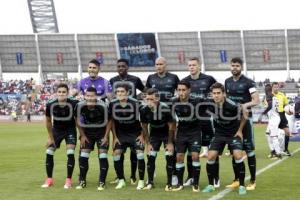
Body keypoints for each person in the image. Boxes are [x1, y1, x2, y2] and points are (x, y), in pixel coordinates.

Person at [202, 82, 247, 195]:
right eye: (214, 93)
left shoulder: (232, 105)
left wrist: (240, 130)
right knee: (211, 156)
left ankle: (241, 185)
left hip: (233, 134)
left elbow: (245, 113)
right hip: (219, 134)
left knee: (237, 155)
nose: (216, 95)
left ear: (224, 94)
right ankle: (211, 185)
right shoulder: (209, 103)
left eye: (218, 93)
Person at [181, 57, 217, 187]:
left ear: (199, 66)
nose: (191, 67)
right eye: (189, 65)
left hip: (206, 118)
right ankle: (190, 177)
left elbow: (217, 92)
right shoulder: (184, 81)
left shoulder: (208, 79)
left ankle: (215, 178)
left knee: (213, 149)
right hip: (190, 121)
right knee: (191, 151)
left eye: (194, 65)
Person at [225, 57, 260, 191]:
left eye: (237, 66)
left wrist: (244, 105)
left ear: (241, 67)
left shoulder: (248, 82)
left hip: (246, 121)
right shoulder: (227, 82)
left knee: (249, 150)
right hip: (231, 121)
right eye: (232, 65)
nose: (234, 68)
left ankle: (252, 180)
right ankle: (236, 180)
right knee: (235, 151)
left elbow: (256, 100)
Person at [109, 58, 145, 185]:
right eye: (118, 66)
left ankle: (133, 176)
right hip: (120, 118)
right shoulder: (113, 80)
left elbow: (144, 91)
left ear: (127, 67)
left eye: (123, 66)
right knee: (119, 151)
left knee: (135, 152)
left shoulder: (135, 79)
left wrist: (138, 99)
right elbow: (110, 95)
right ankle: (120, 177)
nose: (120, 68)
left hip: (132, 116)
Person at [145, 56, 180, 185]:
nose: (158, 66)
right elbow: (147, 93)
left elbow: (180, 92)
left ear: (166, 65)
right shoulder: (151, 78)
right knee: (152, 146)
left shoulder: (174, 77)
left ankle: (174, 174)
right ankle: (151, 172)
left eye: (160, 64)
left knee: (171, 147)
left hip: (169, 117)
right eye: (156, 64)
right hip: (154, 117)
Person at [41, 83, 78, 189]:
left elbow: (78, 120)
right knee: (49, 152)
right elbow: (48, 121)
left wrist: (82, 134)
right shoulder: (50, 104)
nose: (61, 94)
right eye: (59, 92)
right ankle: (49, 180)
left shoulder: (74, 103)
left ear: (67, 93)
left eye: (64, 92)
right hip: (56, 130)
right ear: (56, 93)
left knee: (70, 152)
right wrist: (50, 137)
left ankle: (68, 180)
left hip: (70, 130)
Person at [75, 87, 112, 190]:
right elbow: (77, 120)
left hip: (101, 133)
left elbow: (109, 121)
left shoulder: (103, 106)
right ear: (85, 96)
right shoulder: (79, 106)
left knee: (103, 155)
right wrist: (82, 135)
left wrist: (106, 136)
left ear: (96, 96)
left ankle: (102, 182)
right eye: (88, 96)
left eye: (92, 96)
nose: (90, 98)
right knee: (83, 155)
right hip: (87, 133)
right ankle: (82, 181)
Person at [140, 88, 176, 191]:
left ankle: (169, 184)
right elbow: (144, 126)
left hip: (166, 134)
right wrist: (148, 143)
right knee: (151, 156)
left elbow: (171, 126)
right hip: (154, 134)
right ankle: (150, 182)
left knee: (169, 156)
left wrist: (169, 143)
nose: (150, 102)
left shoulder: (165, 108)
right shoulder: (143, 110)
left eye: (152, 99)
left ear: (157, 98)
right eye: (147, 99)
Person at [171, 81, 202, 192]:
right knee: (179, 157)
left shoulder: (197, 101)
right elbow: (171, 119)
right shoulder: (174, 102)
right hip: (182, 133)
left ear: (189, 90)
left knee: (195, 156)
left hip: (195, 132)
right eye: (179, 90)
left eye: (183, 90)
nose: (181, 92)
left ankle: (196, 184)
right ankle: (180, 184)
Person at [272, 82, 291, 156]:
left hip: (282, 115)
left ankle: (285, 149)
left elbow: (286, 105)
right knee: (273, 134)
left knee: (287, 132)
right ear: (272, 88)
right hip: (274, 116)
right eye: (274, 87)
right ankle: (274, 151)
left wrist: (289, 110)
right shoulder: (270, 95)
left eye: (277, 87)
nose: (276, 88)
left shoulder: (282, 95)